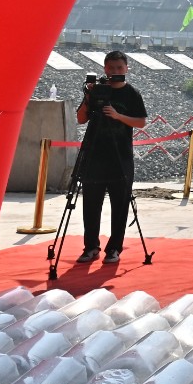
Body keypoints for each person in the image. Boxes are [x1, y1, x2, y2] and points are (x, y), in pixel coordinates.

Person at [73, 50, 148, 265]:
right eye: (111, 68)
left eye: (119, 68)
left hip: (120, 157)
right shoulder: (97, 91)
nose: (115, 71)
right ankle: (91, 247)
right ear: (105, 69)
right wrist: (88, 95)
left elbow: (141, 122)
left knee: (120, 204)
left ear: (126, 69)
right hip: (94, 155)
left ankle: (114, 248)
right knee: (91, 204)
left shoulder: (132, 93)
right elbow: (81, 119)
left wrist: (118, 116)